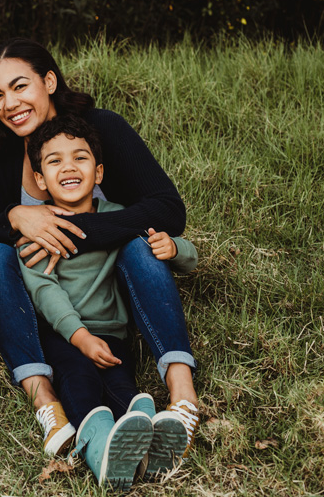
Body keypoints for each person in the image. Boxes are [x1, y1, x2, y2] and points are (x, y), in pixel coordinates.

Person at [0, 38, 200, 459]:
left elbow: (167, 209)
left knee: (140, 245)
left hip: (108, 289)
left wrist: (77, 228)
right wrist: (17, 218)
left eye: (20, 86)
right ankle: (45, 401)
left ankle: (182, 396)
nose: (10, 104)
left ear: (50, 81)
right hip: (40, 295)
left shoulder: (100, 130)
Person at [18, 116, 198, 490]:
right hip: (63, 337)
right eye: (54, 161)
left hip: (113, 334)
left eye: (80, 158)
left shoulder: (119, 217)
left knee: (122, 386)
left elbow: (187, 257)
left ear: (98, 172)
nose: (68, 167)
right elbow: (44, 290)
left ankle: (145, 446)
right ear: (39, 180)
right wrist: (79, 336)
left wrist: (174, 248)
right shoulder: (37, 229)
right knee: (80, 384)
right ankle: (101, 451)